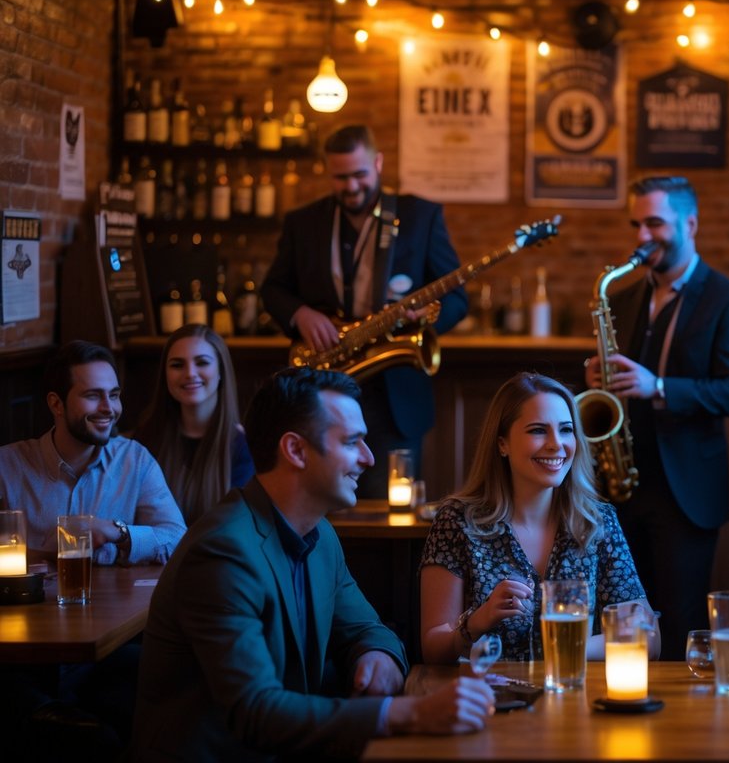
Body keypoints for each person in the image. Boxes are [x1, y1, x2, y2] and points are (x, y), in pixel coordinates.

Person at [132, 367, 495, 761]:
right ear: (295, 450)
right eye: (353, 441)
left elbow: (370, 629)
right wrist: (410, 711)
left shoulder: (318, 532)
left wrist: (377, 654)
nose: (369, 458)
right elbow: (255, 713)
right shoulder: (222, 554)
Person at [582, 175, 729, 661]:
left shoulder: (728, 298)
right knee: (620, 616)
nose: (641, 236)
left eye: (654, 223)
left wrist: (656, 387)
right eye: (636, 224)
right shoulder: (622, 297)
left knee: (678, 624)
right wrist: (596, 377)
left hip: (686, 494)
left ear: (690, 223)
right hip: (621, 487)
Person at [262, 124, 468, 498]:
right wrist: (300, 313)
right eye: (340, 178)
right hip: (324, 388)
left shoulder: (420, 216)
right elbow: (272, 290)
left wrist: (428, 317)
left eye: (359, 174)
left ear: (378, 163)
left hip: (394, 396)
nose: (351, 186)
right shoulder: (303, 223)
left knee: (391, 509)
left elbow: (457, 298)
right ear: (328, 171)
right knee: (321, 497)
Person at [420, 372, 656, 663]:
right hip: (490, 700)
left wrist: (568, 647)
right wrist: (476, 622)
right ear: (502, 443)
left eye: (566, 430)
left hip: (574, 699)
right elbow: (432, 648)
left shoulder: (598, 520)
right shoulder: (457, 520)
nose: (557, 444)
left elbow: (650, 637)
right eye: (537, 430)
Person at [0, 340, 185, 564]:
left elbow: (178, 540)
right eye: (93, 396)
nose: (109, 408)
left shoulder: (134, 460)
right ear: (56, 404)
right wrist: (45, 555)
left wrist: (115, 532)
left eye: (114, 395)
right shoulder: (7, 465)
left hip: (115, 600)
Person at [135, 324, 255, 524]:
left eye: (202, 362)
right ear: (165, 375)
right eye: (177, 365)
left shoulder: (243, 448)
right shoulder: (147, 439)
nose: (190, 373)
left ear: (220, 372)